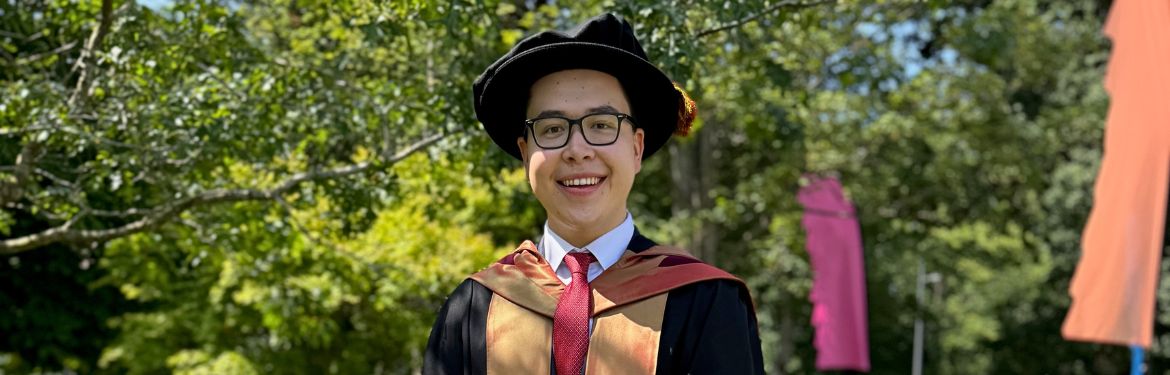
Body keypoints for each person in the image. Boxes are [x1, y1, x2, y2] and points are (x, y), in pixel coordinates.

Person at [424, 13, 764, 374]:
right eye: (552, 129)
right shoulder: (473, 305)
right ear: (525, 155)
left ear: (636, 149)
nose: (577, 150)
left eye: (601, 125)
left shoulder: (705, 300)